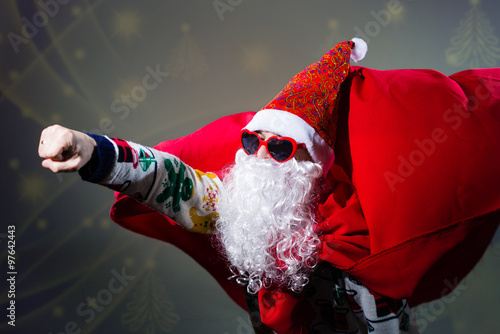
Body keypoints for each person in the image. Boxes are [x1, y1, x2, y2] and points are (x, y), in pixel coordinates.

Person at [39, 38, 500, 333]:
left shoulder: (357, 223)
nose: (260, 157)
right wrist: (93, 152)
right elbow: (172, 180)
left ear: (311, 162)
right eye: (251, 142)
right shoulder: (242, 203)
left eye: (280, 148)